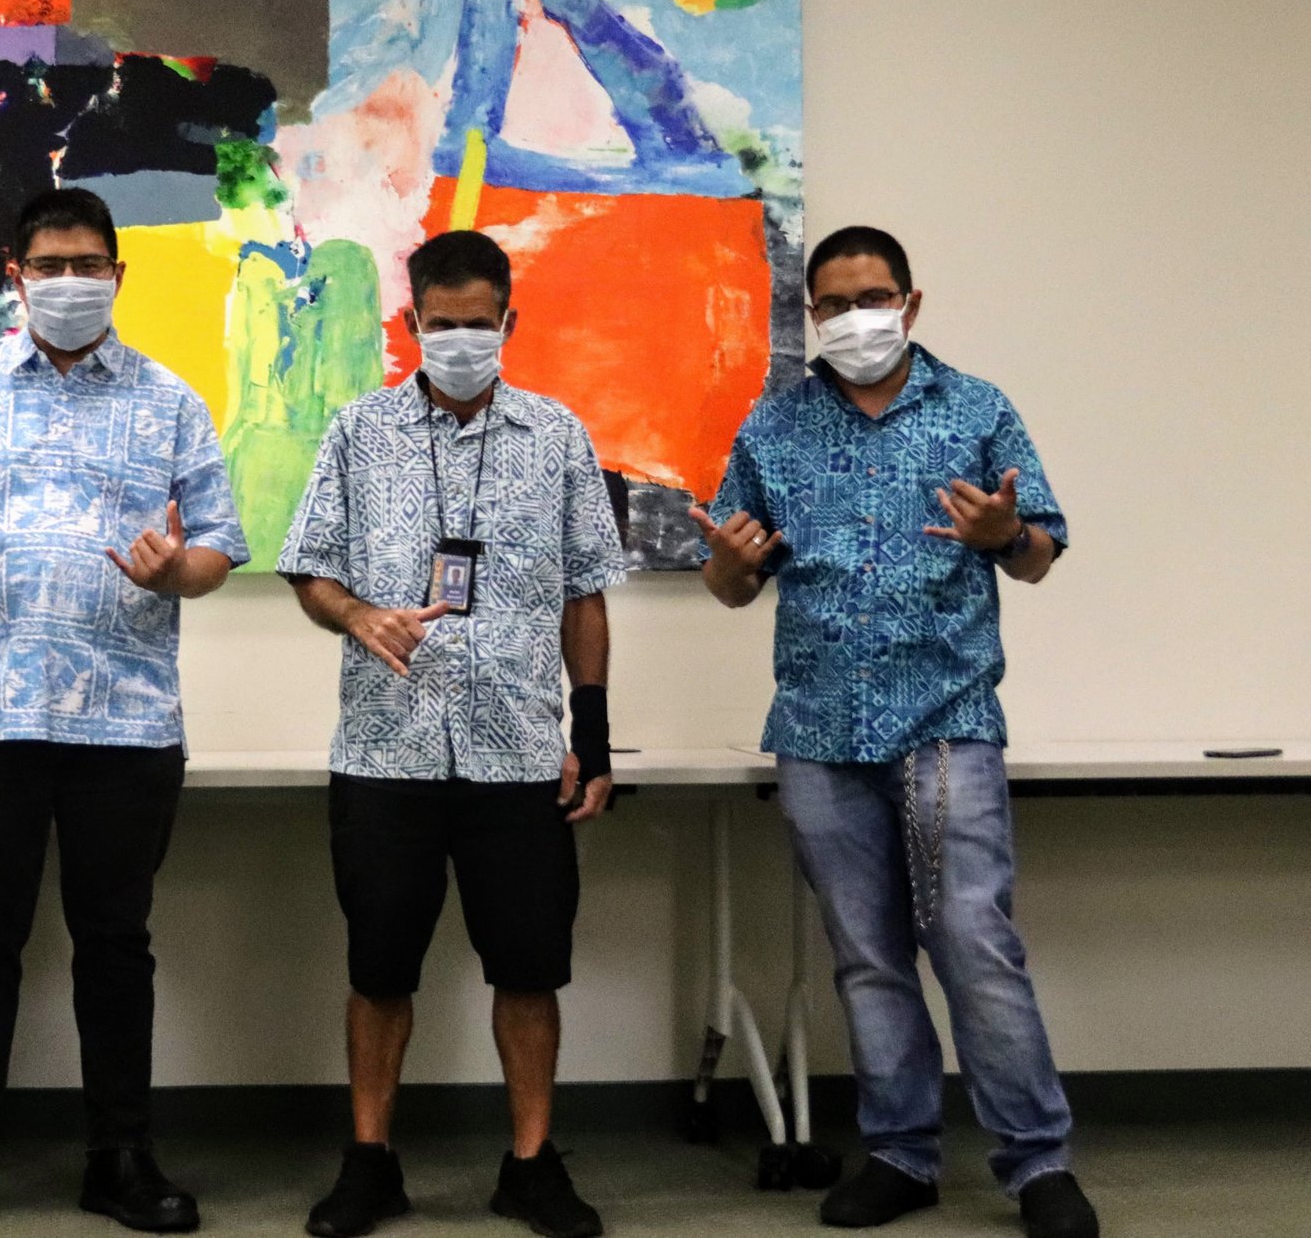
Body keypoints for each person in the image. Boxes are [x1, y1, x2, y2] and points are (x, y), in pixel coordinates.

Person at [690, 226, 1099, 1238]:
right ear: (809, 317)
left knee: (972, 942)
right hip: (818, 728)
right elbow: (730, 581)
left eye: (870, 297)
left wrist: (1006, 536)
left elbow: (1038, 553)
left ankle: (1037, 1164)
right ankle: (900, 1155)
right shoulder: (772, 426)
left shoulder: (975, 409)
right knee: (865, 956)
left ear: (909, 305)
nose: (851, 318)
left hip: (945, 719)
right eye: (830, 304)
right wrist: (731, 561)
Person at [0, 188, 249, 1238]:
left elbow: (218, 544)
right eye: (51, 265)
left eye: (90, 264)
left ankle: (118, 1158)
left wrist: (181, 570)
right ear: (15, 274)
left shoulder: (170, 401)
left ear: (118, 277)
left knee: (115, 944)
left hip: (125, 722)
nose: (70, 282)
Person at [277, 230, 628, 1238]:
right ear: (411, 324)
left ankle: (529, 1163)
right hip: (384, 752)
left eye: (480, 325)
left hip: (516, 756)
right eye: (443, 326)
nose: (461, 341)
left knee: (528, 969)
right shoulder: (355, 431)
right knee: (377, 968)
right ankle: (369, 1161)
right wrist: (355, 614)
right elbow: (309, 569)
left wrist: (591, 740)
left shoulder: (557, 436)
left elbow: (584, 596)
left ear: (508, 322)